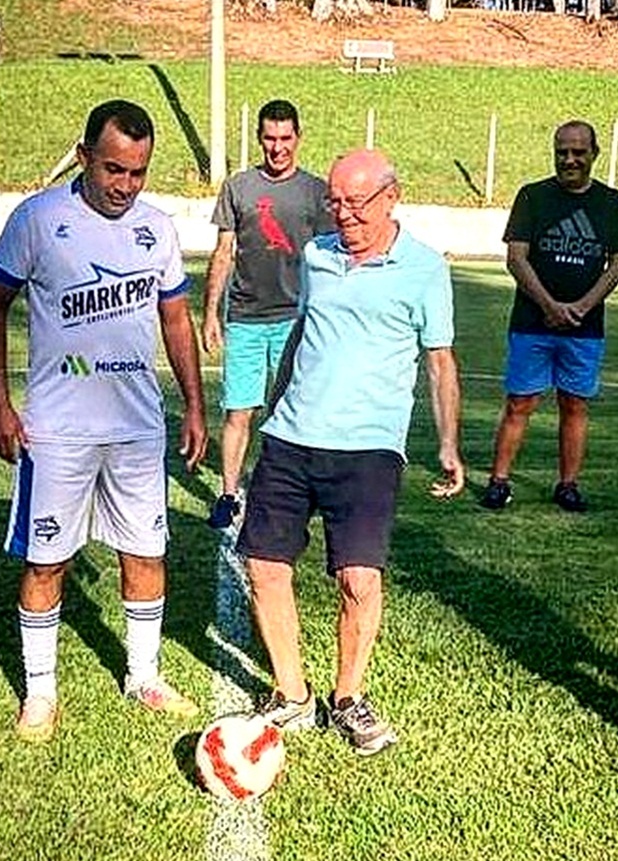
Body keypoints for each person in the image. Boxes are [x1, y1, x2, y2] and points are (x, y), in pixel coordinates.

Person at [0, 99, 208, 743]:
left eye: (137, 173)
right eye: (113, 170)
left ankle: (144, 676)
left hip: (136, 430)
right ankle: (41, 694)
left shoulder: (157, 229)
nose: (125, 186)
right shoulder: (39, 219)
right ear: (84, 157)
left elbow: (176, 319)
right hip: (56, 432)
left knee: (147, 551)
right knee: (47, 562)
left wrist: (192, 404)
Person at [236, 148, 465, 756]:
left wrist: (447, 443)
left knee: (358, 578)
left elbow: (440, 362)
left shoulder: (423, 269)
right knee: (264, 566)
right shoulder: (315, 256)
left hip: (368, 447)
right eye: (333, 202)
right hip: (291, 435)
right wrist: (272, 406)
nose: (343, 215)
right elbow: (303, 335)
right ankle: (292, 695)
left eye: (355, 203)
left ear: (392, 196)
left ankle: (348, 698)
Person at [481, 120, 618, 513]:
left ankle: (567, 485)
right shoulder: (532, 196)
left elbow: (617, 263)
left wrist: (581, 307)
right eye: (562, 151)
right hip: (532, 323)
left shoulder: (611, 202)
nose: (570, 159)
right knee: (519, 403)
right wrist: (548, 305)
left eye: (578, 152)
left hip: (585, 328)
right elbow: (516, 257)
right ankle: (499, 480)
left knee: (575, 405)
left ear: (594, 154)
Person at [201, 99, 333, 530]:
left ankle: (281, 491)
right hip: (245, 319)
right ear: (259, 138)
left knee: (289, 411)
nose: (277, 147)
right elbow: (223, 252)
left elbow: (332, 260)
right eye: (269, 138)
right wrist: (210, 315)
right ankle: (227, 493)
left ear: (299, 137)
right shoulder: (238, 187)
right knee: (239, 410)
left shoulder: (316, 192)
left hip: (297, 322)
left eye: (285, 138)